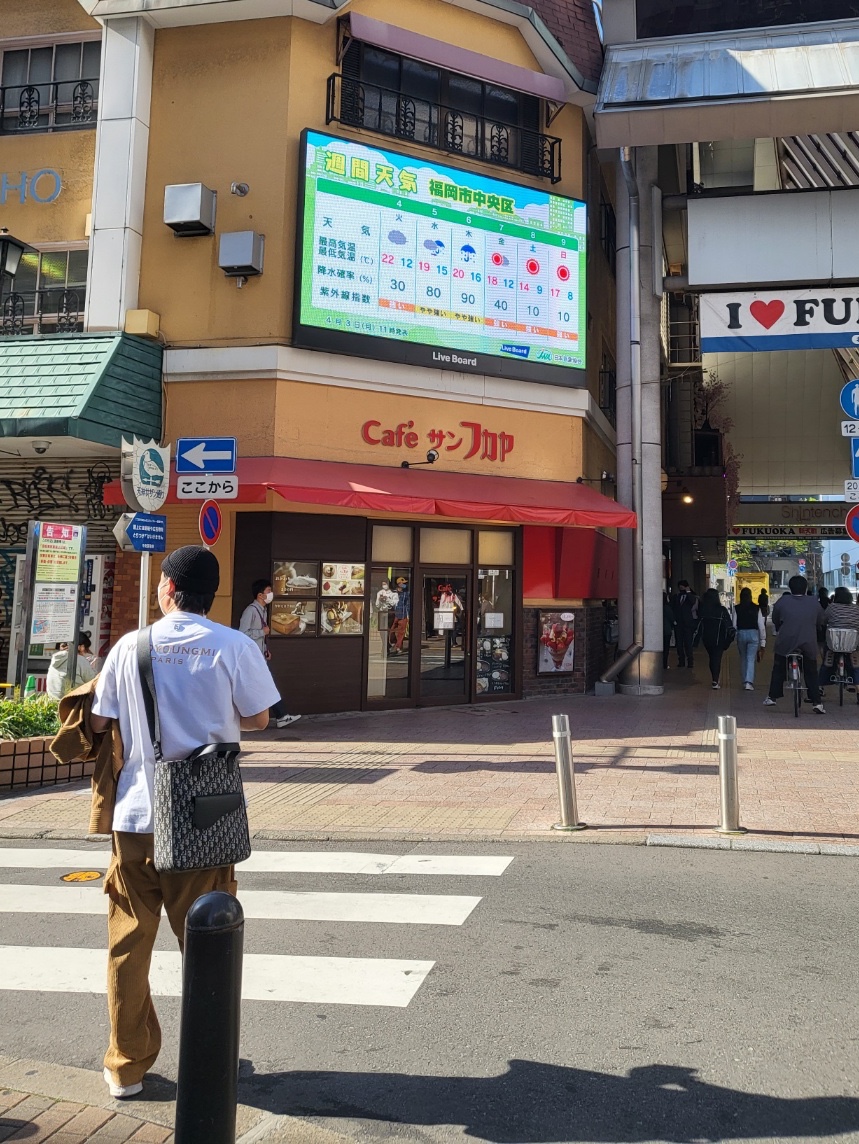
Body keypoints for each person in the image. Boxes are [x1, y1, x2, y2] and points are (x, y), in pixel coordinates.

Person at [90, 546, 281, 1099]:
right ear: (209, 594)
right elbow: (260, 718)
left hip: (137, 818)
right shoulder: (234, 645)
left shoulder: (129, 646)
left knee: (128, 942)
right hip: (204, 818)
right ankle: (212, 1058)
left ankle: (125, 1066)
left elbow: (101, 719)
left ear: (168, 589)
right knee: (207, 943)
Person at [239, 579, 301, 728]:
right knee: (267, 686)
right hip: (252, 659)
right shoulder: (251, 611)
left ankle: (280, 716)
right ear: (260, 595)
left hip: (259, 657)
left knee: (264, 687)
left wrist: (265, 650)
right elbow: (242, 634)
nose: (271, 594)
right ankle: (281, 716)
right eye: (268, 591)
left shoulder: (263, 610)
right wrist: (262, 632)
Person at [764, 575, 826, 713]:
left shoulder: (783, 601)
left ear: (790, 588)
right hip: (808, 642)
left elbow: (775, 619)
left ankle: (772, 697)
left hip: (786, 641)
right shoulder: (813, 602)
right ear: (805, 588)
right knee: (811, 672)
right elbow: (821, 620)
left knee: (779, 668)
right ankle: (817, 703)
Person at [819, 586, 859, 693]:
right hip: (852, 644)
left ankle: (820, 686)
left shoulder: (832, 607)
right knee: (855, 664)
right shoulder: (856, 609)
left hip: (833, 644)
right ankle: (857, 687)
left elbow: (823, 621)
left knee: (826, 663)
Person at [696, 588, 733, 689]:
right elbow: (729, 625)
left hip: (707, 638)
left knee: (712, 657)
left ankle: (714, 678)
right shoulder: (722, 610)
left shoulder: (703, 610)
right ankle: (715, 680)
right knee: (716, 658)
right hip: (719, 639)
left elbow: (699, 624)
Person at [734, 586, 766, 691]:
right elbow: (761, 626)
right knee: (750, 659)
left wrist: (735, 637)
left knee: (743, 658)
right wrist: (763, 642)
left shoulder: (736, 608)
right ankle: (749, 682)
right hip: (753, 634)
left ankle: (744, 681)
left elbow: (734, 625)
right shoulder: (756, 608)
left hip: (741, 633)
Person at [46, 634, 97, 699]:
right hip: (72, 703)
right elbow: (94, 681)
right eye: (86, 648)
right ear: (80, 647)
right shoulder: (80, 660)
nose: (87, 651)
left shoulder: (56, 659)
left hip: (53, 701)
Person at [670, 580, 699, 668]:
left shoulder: (692, 597)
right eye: (680, 586)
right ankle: (681, 661)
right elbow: (673, 607)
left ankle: (690, 661)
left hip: (688, 623)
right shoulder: (676, 597)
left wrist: (688, 592)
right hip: (678, 624)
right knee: (679, 643)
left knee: (688, 643)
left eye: (683, 586)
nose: (681, 588)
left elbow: (693, 602)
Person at [388, 576, 410, 655]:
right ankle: (393, 642)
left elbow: (408, 603)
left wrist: (408, 614)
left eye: (405, 584)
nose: (405, 585)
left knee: (401, 632)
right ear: (399, 584)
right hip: (394, 614)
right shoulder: (393, 593)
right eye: (403, 583)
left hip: (403, 614)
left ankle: (398, 646)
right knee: (391, 630)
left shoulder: (406, 593)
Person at [662, 592, 676, 671]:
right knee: (666, 648)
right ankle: (664, 664)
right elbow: (672, 618)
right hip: (666, 630)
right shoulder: (667, 608)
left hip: (657, 631)